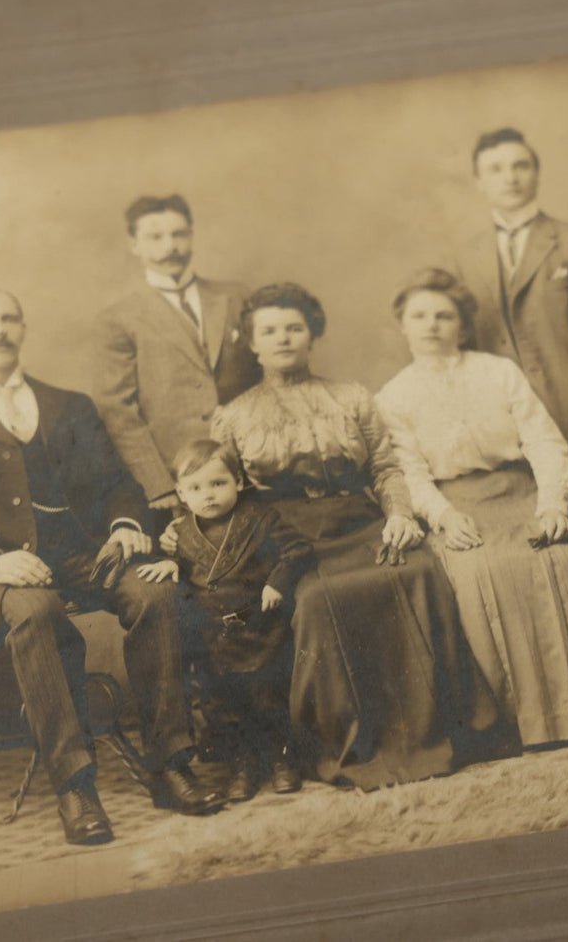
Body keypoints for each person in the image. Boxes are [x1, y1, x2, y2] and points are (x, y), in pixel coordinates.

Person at [0, 287, 224, 847]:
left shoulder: (69, 405)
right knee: (35, 608)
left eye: (9, 318)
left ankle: (171, 763)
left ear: (23, 328)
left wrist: (125, 524)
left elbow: (116, 485)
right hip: (1, 569)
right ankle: (75, 784)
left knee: (155, 594)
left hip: (82, 553)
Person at [210, 283, 508, 789]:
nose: (283, 338)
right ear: (252, 344)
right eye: (270, 331)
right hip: (288, 541)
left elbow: (387, 466)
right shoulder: (233, 416)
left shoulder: (351, 397)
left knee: (419, 572)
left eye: (294, 327)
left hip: (359, 523)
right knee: (320, 598)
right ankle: (348, 744)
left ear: (312, 335)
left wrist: (398, 514)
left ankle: (442, 733)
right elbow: (226, 495)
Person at [376, 269, 568, 746]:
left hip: (520, 493)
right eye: (419, 316)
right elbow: (409, 472)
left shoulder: (498, 371)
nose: (432, 325)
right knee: (481, 570)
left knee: (564, 558)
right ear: (403, 325)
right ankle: (522, 724)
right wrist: (443, 517)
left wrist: (551, 505)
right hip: (455, 504)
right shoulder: (393, 396)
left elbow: (542, 441)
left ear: (462, 326)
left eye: (445, 316)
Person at [453, 127, 568, 549]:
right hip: (509, 421)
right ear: (479, 182)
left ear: (536, 173)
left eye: (520, 166)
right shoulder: (466, 255)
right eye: (495, 169)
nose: (509, 177)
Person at [136, 439, 315, 802]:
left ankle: (283, 760)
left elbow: (299, 550)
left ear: (238, 482)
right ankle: (243, 765)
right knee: (226, 706)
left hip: (259, 625)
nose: (209, 495)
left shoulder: (261, 518)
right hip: (214, 636)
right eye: (196, 488)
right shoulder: (180, 534)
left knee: (270, 697)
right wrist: (172, 564)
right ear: (182, 495)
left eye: (218, 483)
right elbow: (187, 574)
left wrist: (275, 583)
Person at [94, 194, 260, 512]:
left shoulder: (236, 296)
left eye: (179, 234)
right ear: (134, 244)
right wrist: (158, 486)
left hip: (252, 467)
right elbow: (118, 412)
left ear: (191, 236)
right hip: (183, 481)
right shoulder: (119, 318)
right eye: (155, 237)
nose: (171, 246)